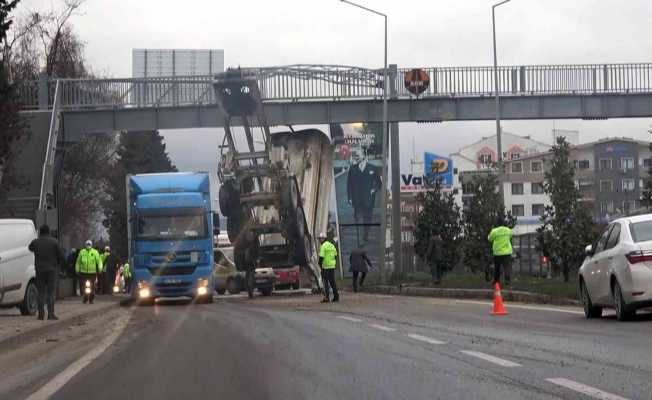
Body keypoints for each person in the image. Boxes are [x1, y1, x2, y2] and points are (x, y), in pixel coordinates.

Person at [28, 225, 65, 320]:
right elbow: (61, 256)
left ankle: (41, 315)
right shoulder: (54, 242)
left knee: (41, 293)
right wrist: (58, 264)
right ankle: (51, 314)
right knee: (51, 293)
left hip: (39, 270)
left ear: (40, 232)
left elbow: (30, 248)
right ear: (49, 232)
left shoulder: (36, 242)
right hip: (52, 270)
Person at [347, 147, 382, 242]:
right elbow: (349, 184)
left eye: (358, 155)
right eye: (355, 155)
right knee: (358, 219)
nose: (356, 157)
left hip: (369, 200)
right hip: (357, 199)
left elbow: (379, 183)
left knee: (367, 220)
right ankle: (360, 240)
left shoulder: (373, 168)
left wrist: (373, 190)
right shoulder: (352, 169)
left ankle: (365, 235)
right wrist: (349, 197)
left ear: (364, 156)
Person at [488, 221, 513, 286]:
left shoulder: (495, 231)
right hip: (507, 252)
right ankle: (507, 281)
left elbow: (490, 239)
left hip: (497, 253)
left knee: (497, 268)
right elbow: (510, 237)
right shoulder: (508, 230)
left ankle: (496, 281)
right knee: (507, 267)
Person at [318, 232, 339, 303]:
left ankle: (326, 298)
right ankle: (336, 296)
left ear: (324, 238)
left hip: (325, 267)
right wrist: (332, 262)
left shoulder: (323, 246)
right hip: (332, 266)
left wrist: (320, 265)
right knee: (333, 282)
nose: (319, 240)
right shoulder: (331, 245)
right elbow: (336, 255)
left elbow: (321, 257)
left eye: (320, 239)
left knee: (325, 282)